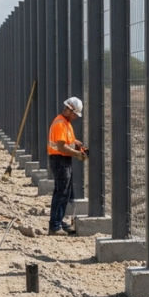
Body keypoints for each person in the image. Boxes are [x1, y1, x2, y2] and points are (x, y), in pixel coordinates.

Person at [47, 97, 87, 235]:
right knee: (61, 192)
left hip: (62, 160)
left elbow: (66, 140)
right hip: (59, 160)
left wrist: (75, 142)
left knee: (65, 192)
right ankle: (55, 225)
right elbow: (61, 147)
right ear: (70, 110)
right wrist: (77, 154)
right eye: (75, 114)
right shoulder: (60, 123)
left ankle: (58, 221)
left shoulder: (65, 122)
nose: (76, 117)